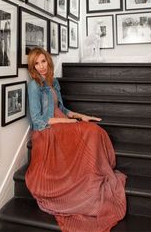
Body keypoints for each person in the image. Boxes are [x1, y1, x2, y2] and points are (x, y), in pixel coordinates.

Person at [25, 47, 127, 232]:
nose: (41, 66)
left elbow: (62, 109)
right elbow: (38, 120)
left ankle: (94, 171)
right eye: (36, 63)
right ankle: (89, 178)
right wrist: (68, 123)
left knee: (94, 129)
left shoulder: (53, 81)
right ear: (32, 67)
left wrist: (81, 116)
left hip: (59, 121)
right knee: (90, 133)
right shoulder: (34, 85)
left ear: (48, 60)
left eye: (43, 61)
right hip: (47, 129)